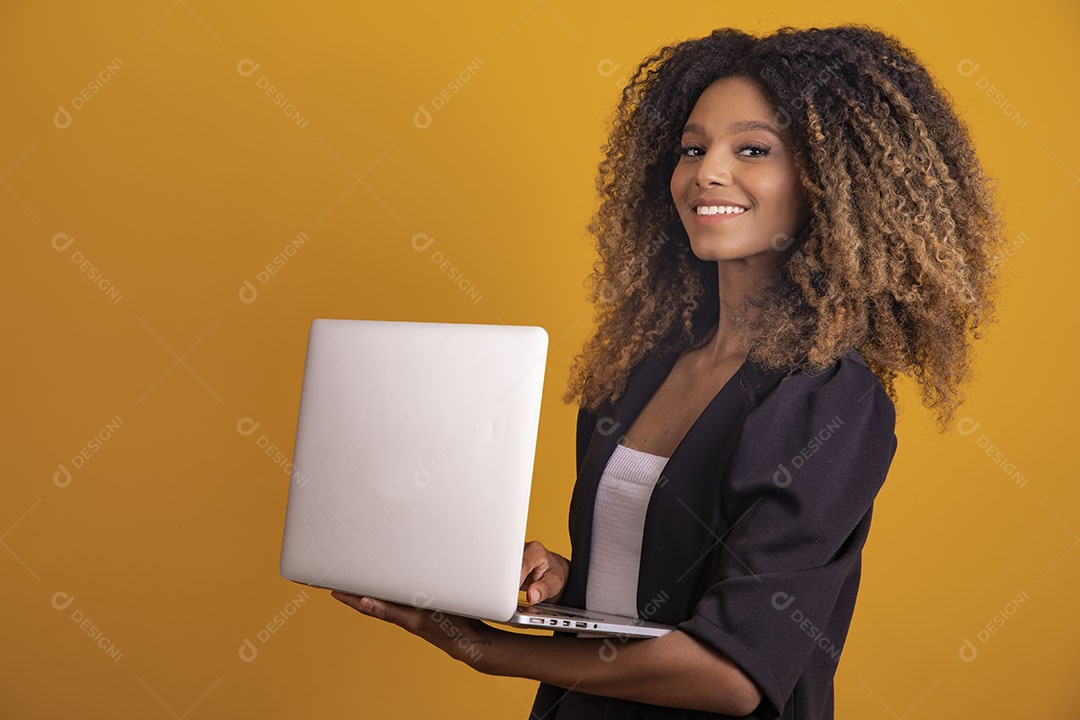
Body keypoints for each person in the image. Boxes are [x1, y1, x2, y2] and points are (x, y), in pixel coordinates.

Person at [332, 24, 1003, 719]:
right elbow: (657, 590)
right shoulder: (638, 368)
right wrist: (562, 586)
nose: (707, 172)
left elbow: (731, 673)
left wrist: (482, 648)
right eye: (692, 148)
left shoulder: (827, 397)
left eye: (752, 148)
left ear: (830, 181)